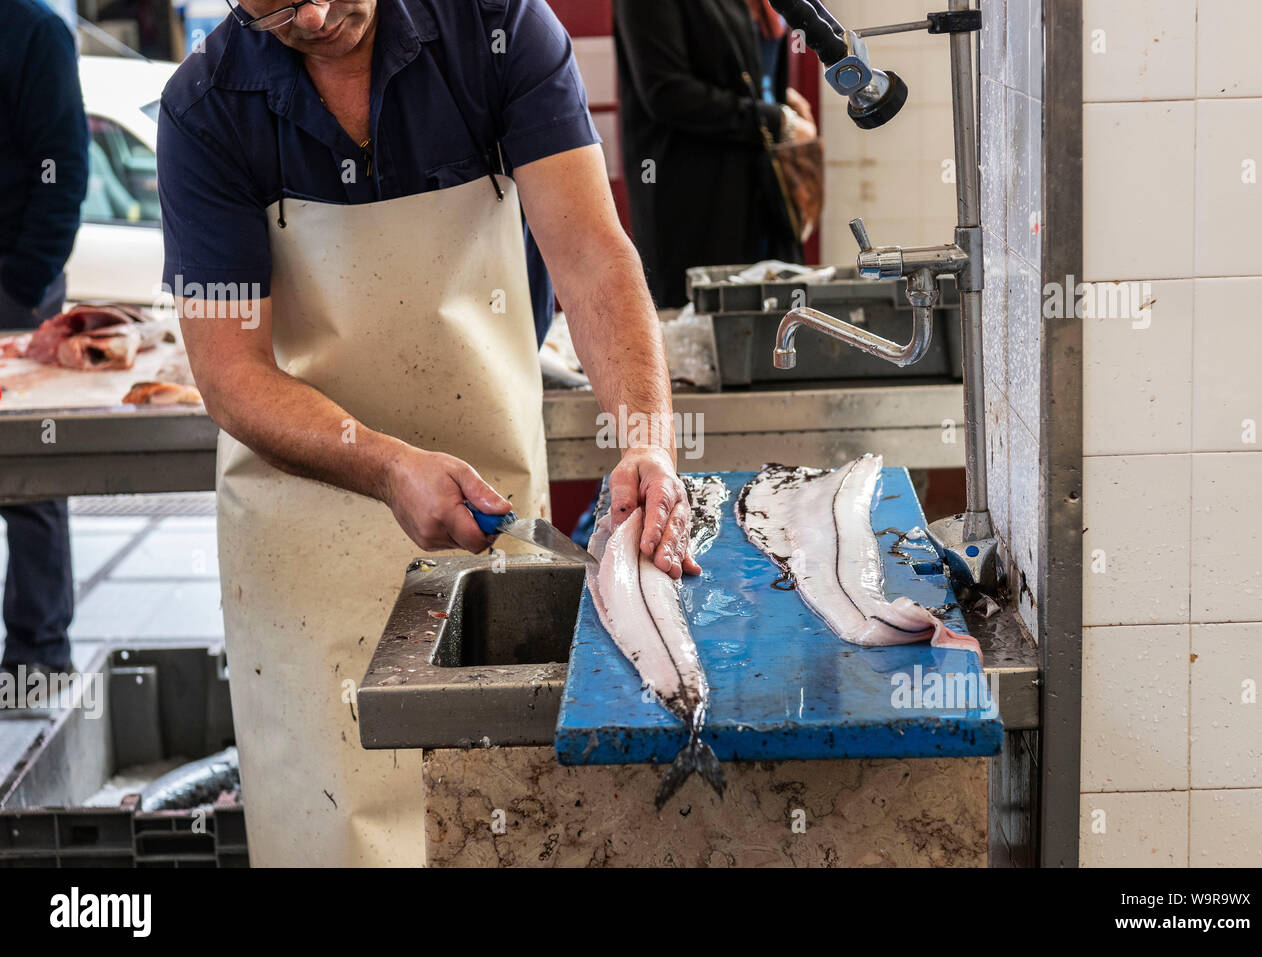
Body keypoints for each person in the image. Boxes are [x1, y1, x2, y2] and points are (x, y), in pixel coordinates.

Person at [157, 0, 700, 866]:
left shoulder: (500, 30)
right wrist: (383, 465)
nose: (320, 13)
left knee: (497, 824)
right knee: (333, 830)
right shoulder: (204, 106)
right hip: (303, 540)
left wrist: (645, 440)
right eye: (278, 8)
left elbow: (592, 251)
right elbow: (230, 373)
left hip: (483, 515)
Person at [613, 0, 818, 308]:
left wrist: (779, 98)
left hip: (763, 188)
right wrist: (777, 120)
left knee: (777, 318)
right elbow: (667, 91)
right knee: (705, 322)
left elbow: (733, 65)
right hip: (696, 193)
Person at [0, 0, 89, 693]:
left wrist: (25, 285)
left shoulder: (34, 32)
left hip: (13, 290)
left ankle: (37, 661)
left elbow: (63, 168)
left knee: (27, 477)